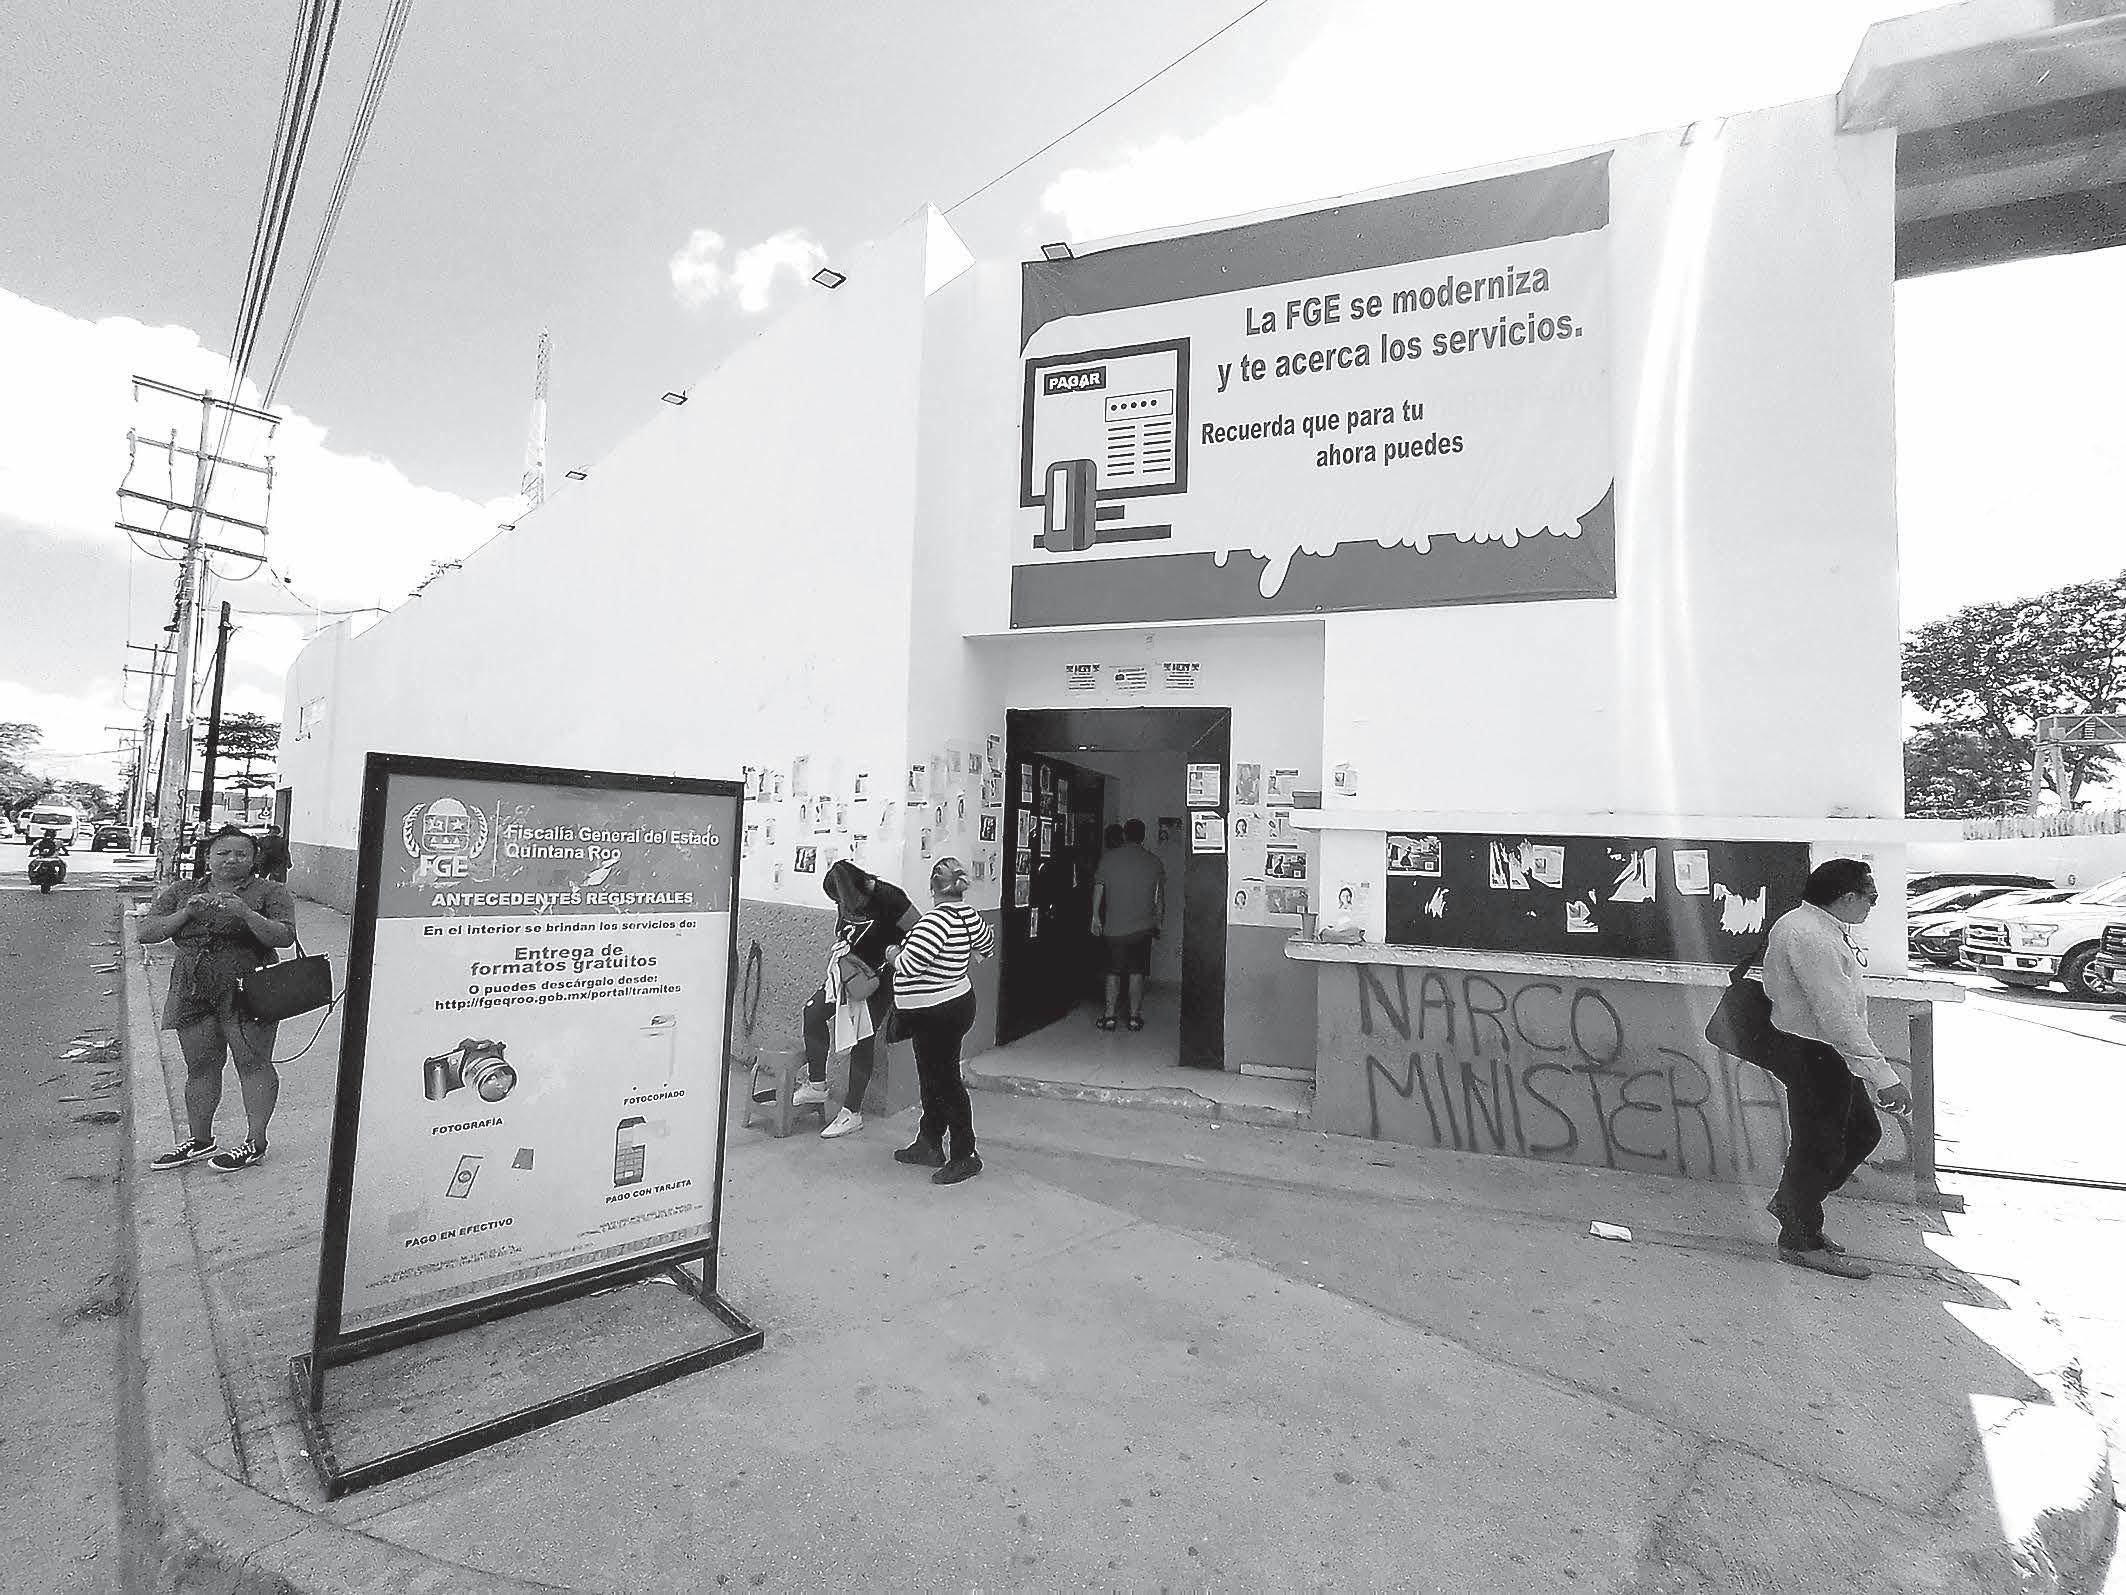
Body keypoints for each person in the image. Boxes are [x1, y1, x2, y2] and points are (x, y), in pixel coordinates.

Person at [1757, 858, 1913, 1280]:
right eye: (1871, 897)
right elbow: (1837, 1017)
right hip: (1815, 1051)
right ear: (1846, 897)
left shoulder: (1819, 927)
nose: (1873, 905)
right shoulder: (1811, 936)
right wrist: (1884, 1076)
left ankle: (1793, 1204)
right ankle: (1799, 1239)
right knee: (1819, 1147)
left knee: (1862, 1132)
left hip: (1826, 1051)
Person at [140, 825, 299, 1173]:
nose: (231, 860)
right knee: (200, 1066)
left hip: (249, 987)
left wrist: (246, 914)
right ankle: (200, 1140)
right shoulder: (183, 890)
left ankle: (255, 1142)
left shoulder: (270, 891)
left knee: (252, 1063)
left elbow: (284, 936)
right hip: (192, 988)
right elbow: (146, 932)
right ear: (208, 857)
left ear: (254, 859)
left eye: (241, 854)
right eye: (223, 853)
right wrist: (186, 913)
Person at [887, 857, 996, 1184]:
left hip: (937, 1013)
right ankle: (929, 1142)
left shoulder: (933, 922)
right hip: (954, 1005)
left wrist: (892, 954)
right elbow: (987, 947)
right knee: (933, 1078)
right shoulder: (969, 915)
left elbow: (910, 965)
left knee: (945, 1082)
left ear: (932, 887)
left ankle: (965, 1155)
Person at [797, 860, 918, 1138]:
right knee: (812, 1013)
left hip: (876, 980)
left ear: (853, 891)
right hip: (847, 972)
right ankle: (817, 1085)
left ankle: (852, 1112)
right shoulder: (846, 897)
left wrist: (895, 957)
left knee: (862, 1038)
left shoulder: (891, 898)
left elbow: (919, 932)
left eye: (840, 901)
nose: (840, 906)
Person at [1090, 817, 1164, 1031]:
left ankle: (1109, 1017)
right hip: (1142, 927)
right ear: (1143, 836)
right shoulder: (1154, 862)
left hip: (1114, 927)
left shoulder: (1109, 859)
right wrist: (1159, 921)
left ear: (1124, 834)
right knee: (1137, 972)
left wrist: (1095, 916)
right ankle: (1133, 1018)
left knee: (1112, 972)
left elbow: (1099, 888)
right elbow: (1159, 897)